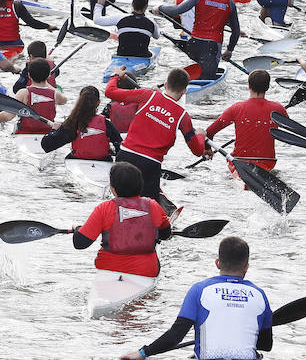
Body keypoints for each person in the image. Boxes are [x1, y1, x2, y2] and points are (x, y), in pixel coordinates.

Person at [123, 236, 274, 360]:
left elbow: (175, 336)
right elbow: (265, 345)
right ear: (246, 266)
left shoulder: (200, 290)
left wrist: (142, 353)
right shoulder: (259, 295)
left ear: (217, 263)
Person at [104, 68, 209, 198]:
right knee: (147, 206)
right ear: (184, 91)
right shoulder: (183, 117)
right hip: (150, 165)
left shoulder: (147, 95)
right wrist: (200, 135)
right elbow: (197, 151)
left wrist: (115, 76)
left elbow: (110, 91)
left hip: (125, 156)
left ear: (165, 85)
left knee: (120, 198)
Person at [74, 161, 172, 294]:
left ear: (113, 188)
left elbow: (80, 243)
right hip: (145, 272)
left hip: (109, 271)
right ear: (140, 185)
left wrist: (77, 230)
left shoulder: (104, 209)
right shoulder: (154, 206)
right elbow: (166, 234)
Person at [158, 0, 241, 81]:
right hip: (212, 48)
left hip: (194, 45)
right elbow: (236, 31)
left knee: (197, 71)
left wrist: (160, 8)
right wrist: (229, 50)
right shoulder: (229, 2)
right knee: (206, 79)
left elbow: (177, 10)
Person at [205, 70, 286, 172]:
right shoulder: (278, 109)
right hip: (268, 162)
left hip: (239, 162)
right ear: (267, 87)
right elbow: (288, 133)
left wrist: (208, 148)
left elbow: (209, 132)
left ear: (249, 86)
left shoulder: (236, 108)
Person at [42, 85, 121, 160]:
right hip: (103, 161)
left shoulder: (72, 123)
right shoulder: (107, 124)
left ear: (79, 101)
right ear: (98, 103)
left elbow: (47, 146)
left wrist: (54, 130)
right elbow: (119, 146)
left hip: (77, 160)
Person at [93, 0, 157, 61]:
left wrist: (99, 4)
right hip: (143, 57)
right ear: (146, 6)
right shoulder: (152, 22)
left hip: (121, 55)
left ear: (132, 4)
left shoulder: (120, 18)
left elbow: (97, 20)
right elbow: (156, 36)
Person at [15, 58, 67, 133]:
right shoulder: (55, 94)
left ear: (29, 75)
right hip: (47, 134)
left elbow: (8, 116)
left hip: (25, 133)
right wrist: (46, 82)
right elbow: (64, 100)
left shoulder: (23, 93)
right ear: (48, 75)